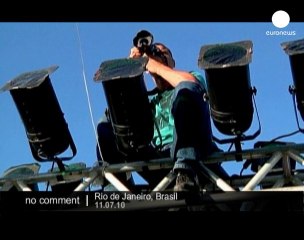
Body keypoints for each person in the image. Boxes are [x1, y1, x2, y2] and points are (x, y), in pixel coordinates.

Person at [96, 32, 226, 192]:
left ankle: (185, 168)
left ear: (172, 61)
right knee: (110, 118)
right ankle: (117, 185)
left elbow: (189, 84)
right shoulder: (148, 100)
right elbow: (123, 109)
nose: (156, 54)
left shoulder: (190, 77)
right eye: (153, 52)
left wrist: (155, 65)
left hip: (196, 149)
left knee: (185, 92)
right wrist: (132, 65)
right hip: (159, 157)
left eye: (163, 52)